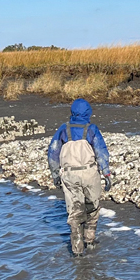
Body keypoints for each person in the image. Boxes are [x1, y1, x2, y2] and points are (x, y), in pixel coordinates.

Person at [47, 98, 112, 255]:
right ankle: (89, 239)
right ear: (88, 113)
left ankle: (77, 250)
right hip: (89, 173)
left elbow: (53, 152)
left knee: (74, 211)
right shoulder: (91, 129)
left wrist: (55, 174)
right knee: (93, 205)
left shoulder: (63, 129)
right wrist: (106, 173)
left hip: (69, 174)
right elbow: (101, 151)